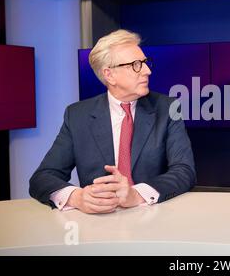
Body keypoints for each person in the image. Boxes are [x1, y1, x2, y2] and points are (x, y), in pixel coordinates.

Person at [30, 29, 196, 213]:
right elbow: (42, 177)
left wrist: (136, 194)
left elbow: (184, 171)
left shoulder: (167, 108)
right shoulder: (77, 115)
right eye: (135, 65)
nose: (147, 71)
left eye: (145, 63)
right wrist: (77, 197)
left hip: (152, 219)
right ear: (109, 75)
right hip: (98, 225)